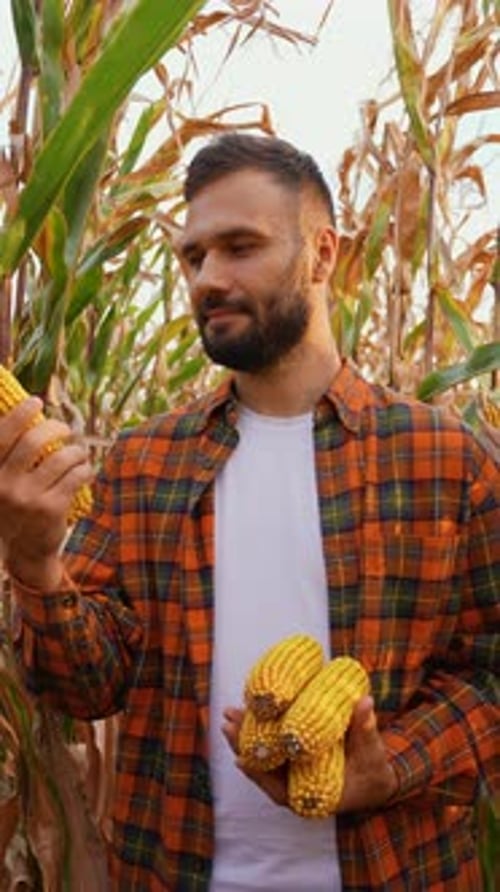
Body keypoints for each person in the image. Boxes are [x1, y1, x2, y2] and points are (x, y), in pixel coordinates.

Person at [0, 132, 498, 892]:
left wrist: (387, 767)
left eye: (240, 247)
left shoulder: (445, 459)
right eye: (194, 257)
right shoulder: (145, 461)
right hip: (176, 869)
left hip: (400, 871)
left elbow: (489, 670)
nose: (209, 278)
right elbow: (87, 688)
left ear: (323, 254)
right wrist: (35, 563)